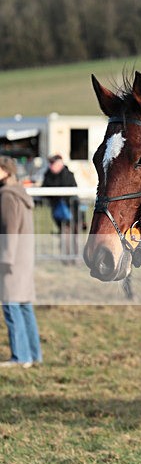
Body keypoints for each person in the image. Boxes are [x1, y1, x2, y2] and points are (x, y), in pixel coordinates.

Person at [0, 156, 42, 368]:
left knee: (11, 306)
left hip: (11, 259)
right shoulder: (20, 192)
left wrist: (5, 259)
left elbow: (10, 230)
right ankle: (34, 354)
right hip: (23, 258)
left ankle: (20, 356)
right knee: (25, 306)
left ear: (5, 172)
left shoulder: (7, 196)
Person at [41, 154, 79, 260]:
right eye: (50, 163)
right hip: (58, 212)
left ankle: (73, 257)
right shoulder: (48, 174)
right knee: (64, 234)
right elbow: (44, 189)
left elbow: (72, 192)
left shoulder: (68, 175)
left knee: (72, 235)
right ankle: (66, 257)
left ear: (60, 163)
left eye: (53, 163)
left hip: (71, 211)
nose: (51, 166)